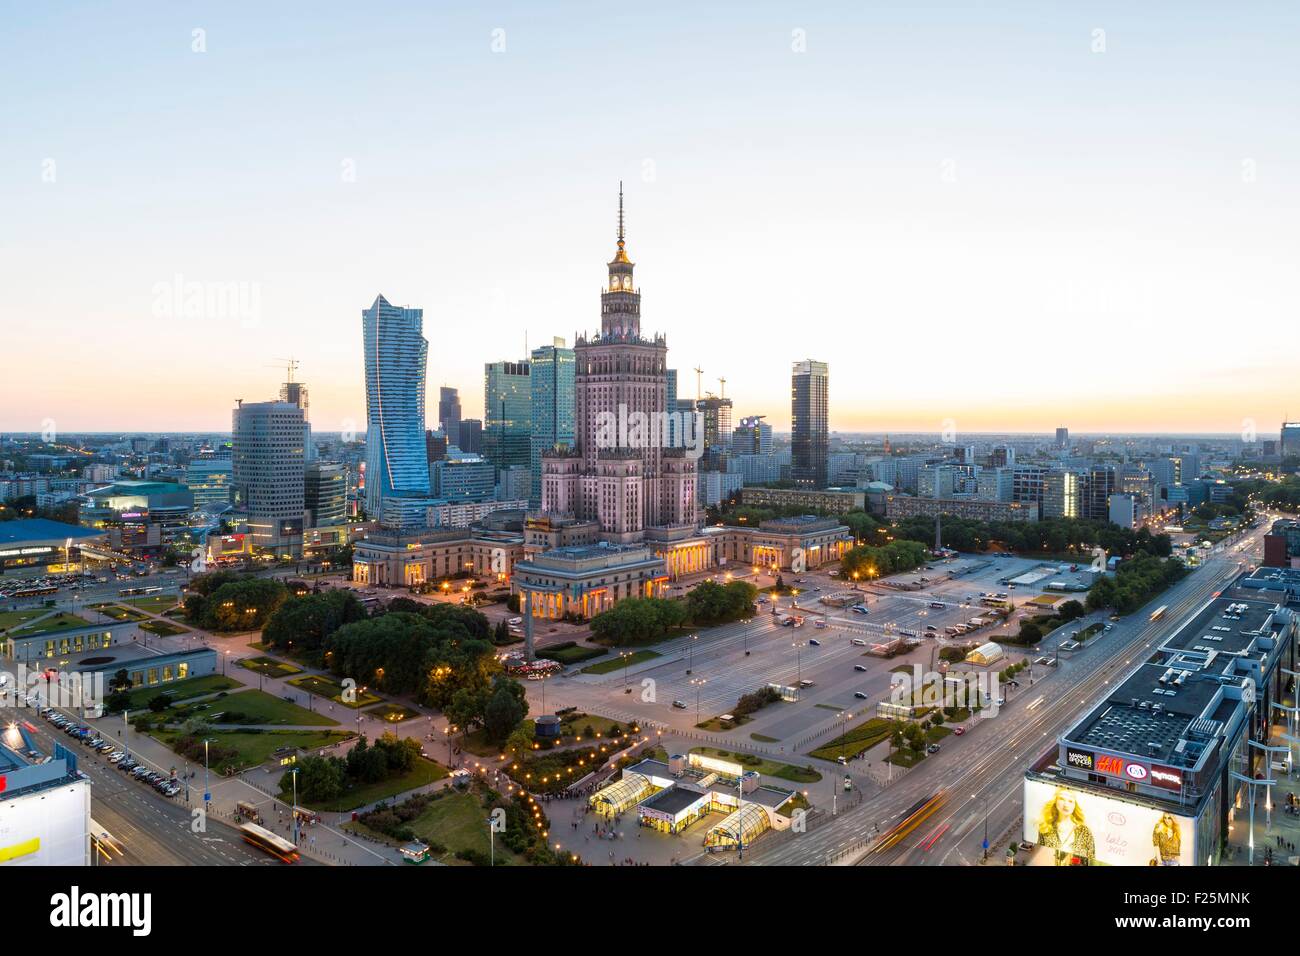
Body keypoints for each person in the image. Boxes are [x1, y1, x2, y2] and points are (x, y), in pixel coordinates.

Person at [1037, 787, 1095, 866]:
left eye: (1070, 801)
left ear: (1075, 805)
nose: (1066, 804)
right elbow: (1040, 856)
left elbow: (1091, 859)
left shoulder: (1084, 831)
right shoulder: (1046, 827)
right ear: (1056, 801)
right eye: (1062, 799)